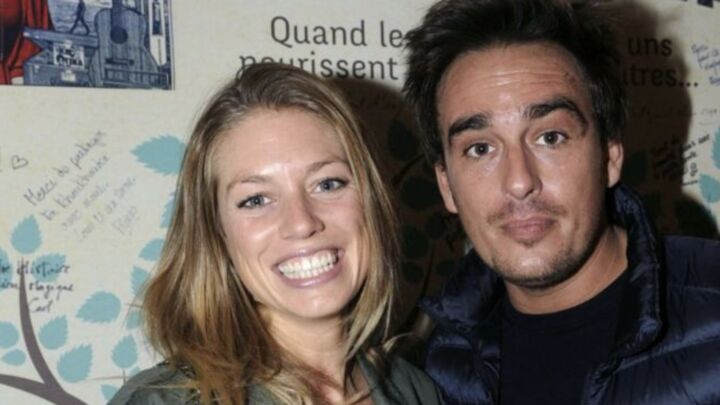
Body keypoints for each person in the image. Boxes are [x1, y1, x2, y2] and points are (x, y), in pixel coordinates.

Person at [403, 0, 720, 404]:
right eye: (480, 148)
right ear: (446, 185)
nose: (520, 182)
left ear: (609, 156)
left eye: (550, 137)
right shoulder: (434, 370)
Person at [109, 63, 441, 404]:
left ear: (372, 201)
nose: (301, 222)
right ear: (217, 236)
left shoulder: (415, 391)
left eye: (327, 184)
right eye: (256, 200)